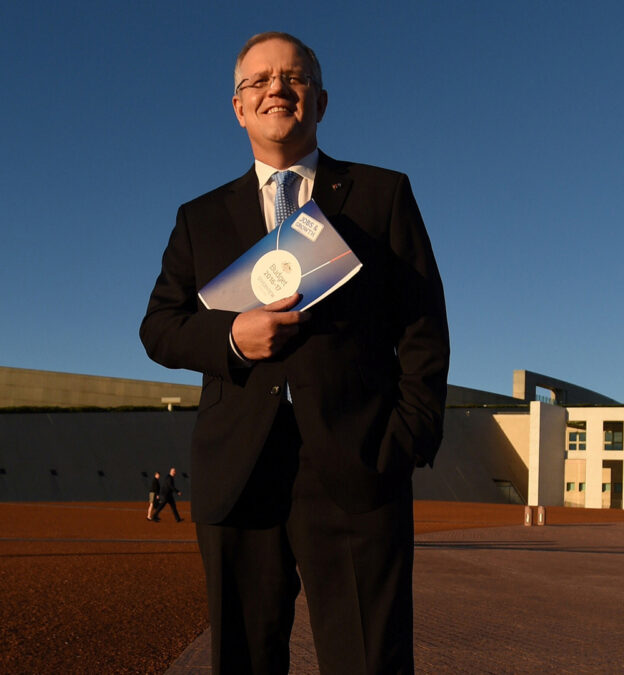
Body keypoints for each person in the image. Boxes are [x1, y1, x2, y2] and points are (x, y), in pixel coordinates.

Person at [140, 32, 450, 674]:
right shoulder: (200, 218)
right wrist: (230, 338)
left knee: (369, 660)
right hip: (238, 472)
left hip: (359, 464)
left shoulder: (379, 195)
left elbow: (423, 323)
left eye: (294, 77)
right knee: (244, 661)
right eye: (259, 81)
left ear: (320, 99)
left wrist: (407, 437)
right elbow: (160, 327)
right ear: (237, 107)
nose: (276, 88)